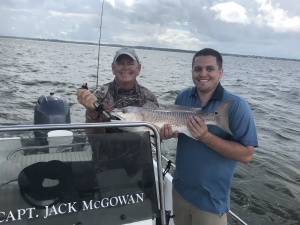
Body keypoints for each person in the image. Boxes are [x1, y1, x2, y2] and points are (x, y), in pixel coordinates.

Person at [159, 48, 258, 225]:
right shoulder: (183, 96)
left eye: (209, 69)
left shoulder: (237, 105)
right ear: (192, 72)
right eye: (197, 69)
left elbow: (246, 155)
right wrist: (166, 134)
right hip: (179, 190)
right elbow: (178, 130)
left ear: (220, 72)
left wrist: (206, 136)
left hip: (211, 201)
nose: (203, 74)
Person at [77, 47, 158, 134]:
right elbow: (92, 136)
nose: (125, 67)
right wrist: (91, 112)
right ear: (113, 68)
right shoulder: (99, 95)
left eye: (130, 63)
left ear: (138, 68)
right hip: (106, 147)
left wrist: (162, 134)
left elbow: (155, 137)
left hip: (140, 147)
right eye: (120, 63)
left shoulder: (149, 97)